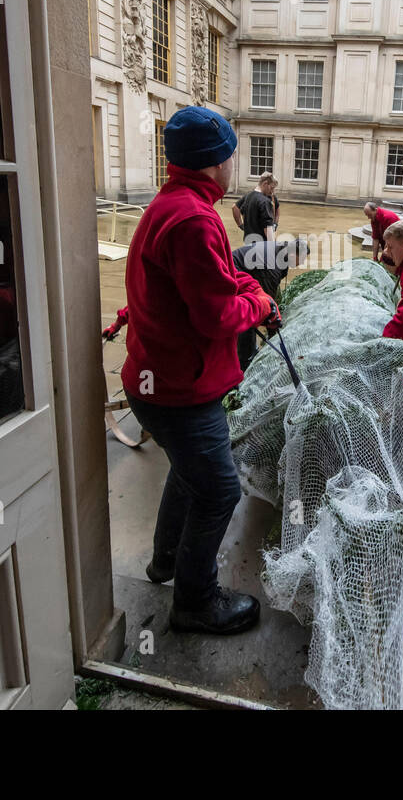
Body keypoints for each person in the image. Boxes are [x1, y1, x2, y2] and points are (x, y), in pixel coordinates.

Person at [105, 105, 280, 635]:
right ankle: (196, 601)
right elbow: (218, 314)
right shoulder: (195, 219)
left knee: (188, 474)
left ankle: (164, 562)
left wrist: (248, 289)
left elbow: (227, 278)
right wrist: (262, 307)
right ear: (215, 162)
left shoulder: (170, 204)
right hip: (181, 390)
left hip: (157, 380)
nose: (234, 166)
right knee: (219, 491)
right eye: (230, 155)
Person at [233, 236, 307, 370]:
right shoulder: (272, 267)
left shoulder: (282, 251)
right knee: (251, 314)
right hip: (234, 272)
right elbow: (267, 305)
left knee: (256, 311)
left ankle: (249, 352)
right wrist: (274, 334)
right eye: (300, 260)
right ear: (292, 254)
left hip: (247, 270)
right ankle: (245, 362)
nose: (300, 264)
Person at [232, 172, 278, 243]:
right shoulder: (265, 201)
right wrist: (273, 248)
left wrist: (241, 225)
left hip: (248, 242)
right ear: (265, 184)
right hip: (261, 245)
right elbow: (268, 228)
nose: (272, 192)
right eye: (272, 188)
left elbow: (237, 208)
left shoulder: (248, 196)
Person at [363, 200, 401, 265]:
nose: (368, 218)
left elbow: (390, 240)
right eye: (367, 215)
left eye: (369, 215)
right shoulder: (374, 220)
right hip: (387, 247)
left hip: (397, 248)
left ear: (375, 210)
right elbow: (375, 239)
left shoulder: (388, 217)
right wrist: (375, 258)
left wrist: (382, 258)